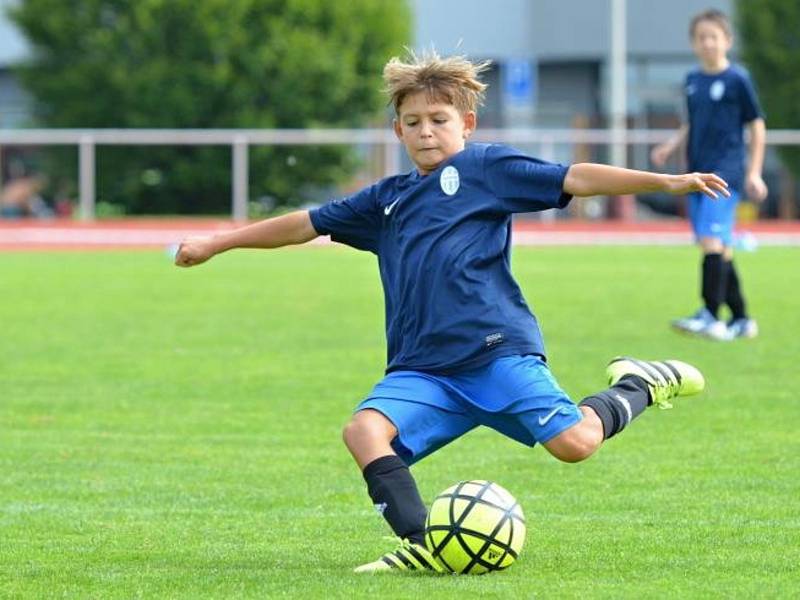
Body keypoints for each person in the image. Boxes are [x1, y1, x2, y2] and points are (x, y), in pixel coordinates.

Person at [175, 51, 727, 573]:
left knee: (576, 445)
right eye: (412, 122)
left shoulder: (485, 169)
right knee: (364, 432)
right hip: (423, 369)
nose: (426, 132)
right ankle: (422, 545)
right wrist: (220, 242)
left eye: (438, 119)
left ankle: (638, 382)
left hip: (495, 354)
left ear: (466, 125)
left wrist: (666, 181)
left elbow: (573, 177)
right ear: (397, 131)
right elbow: (305, 223)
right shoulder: (383, 201)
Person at [651, 9, 767, 341]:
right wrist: (671, 146)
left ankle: (711, 315)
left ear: (727, 41)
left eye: (714, 36)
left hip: (726, 172)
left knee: (711, 242)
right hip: (696, 173)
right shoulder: (693, 81)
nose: (708, 43)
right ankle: (743, 319)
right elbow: (692, 122)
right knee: (722, 248)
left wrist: (755, 172)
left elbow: (756, 126)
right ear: (694, 43)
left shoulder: (737, 79)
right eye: (702, 37)